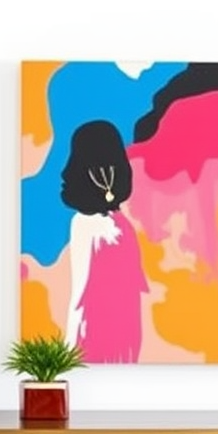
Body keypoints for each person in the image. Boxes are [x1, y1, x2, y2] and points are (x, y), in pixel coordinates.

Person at [59, 119, 147, 363]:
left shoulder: (83, 224)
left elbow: (80, 295)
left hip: (92, 336)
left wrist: (64, 354)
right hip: (126, 337)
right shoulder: (122, 225)